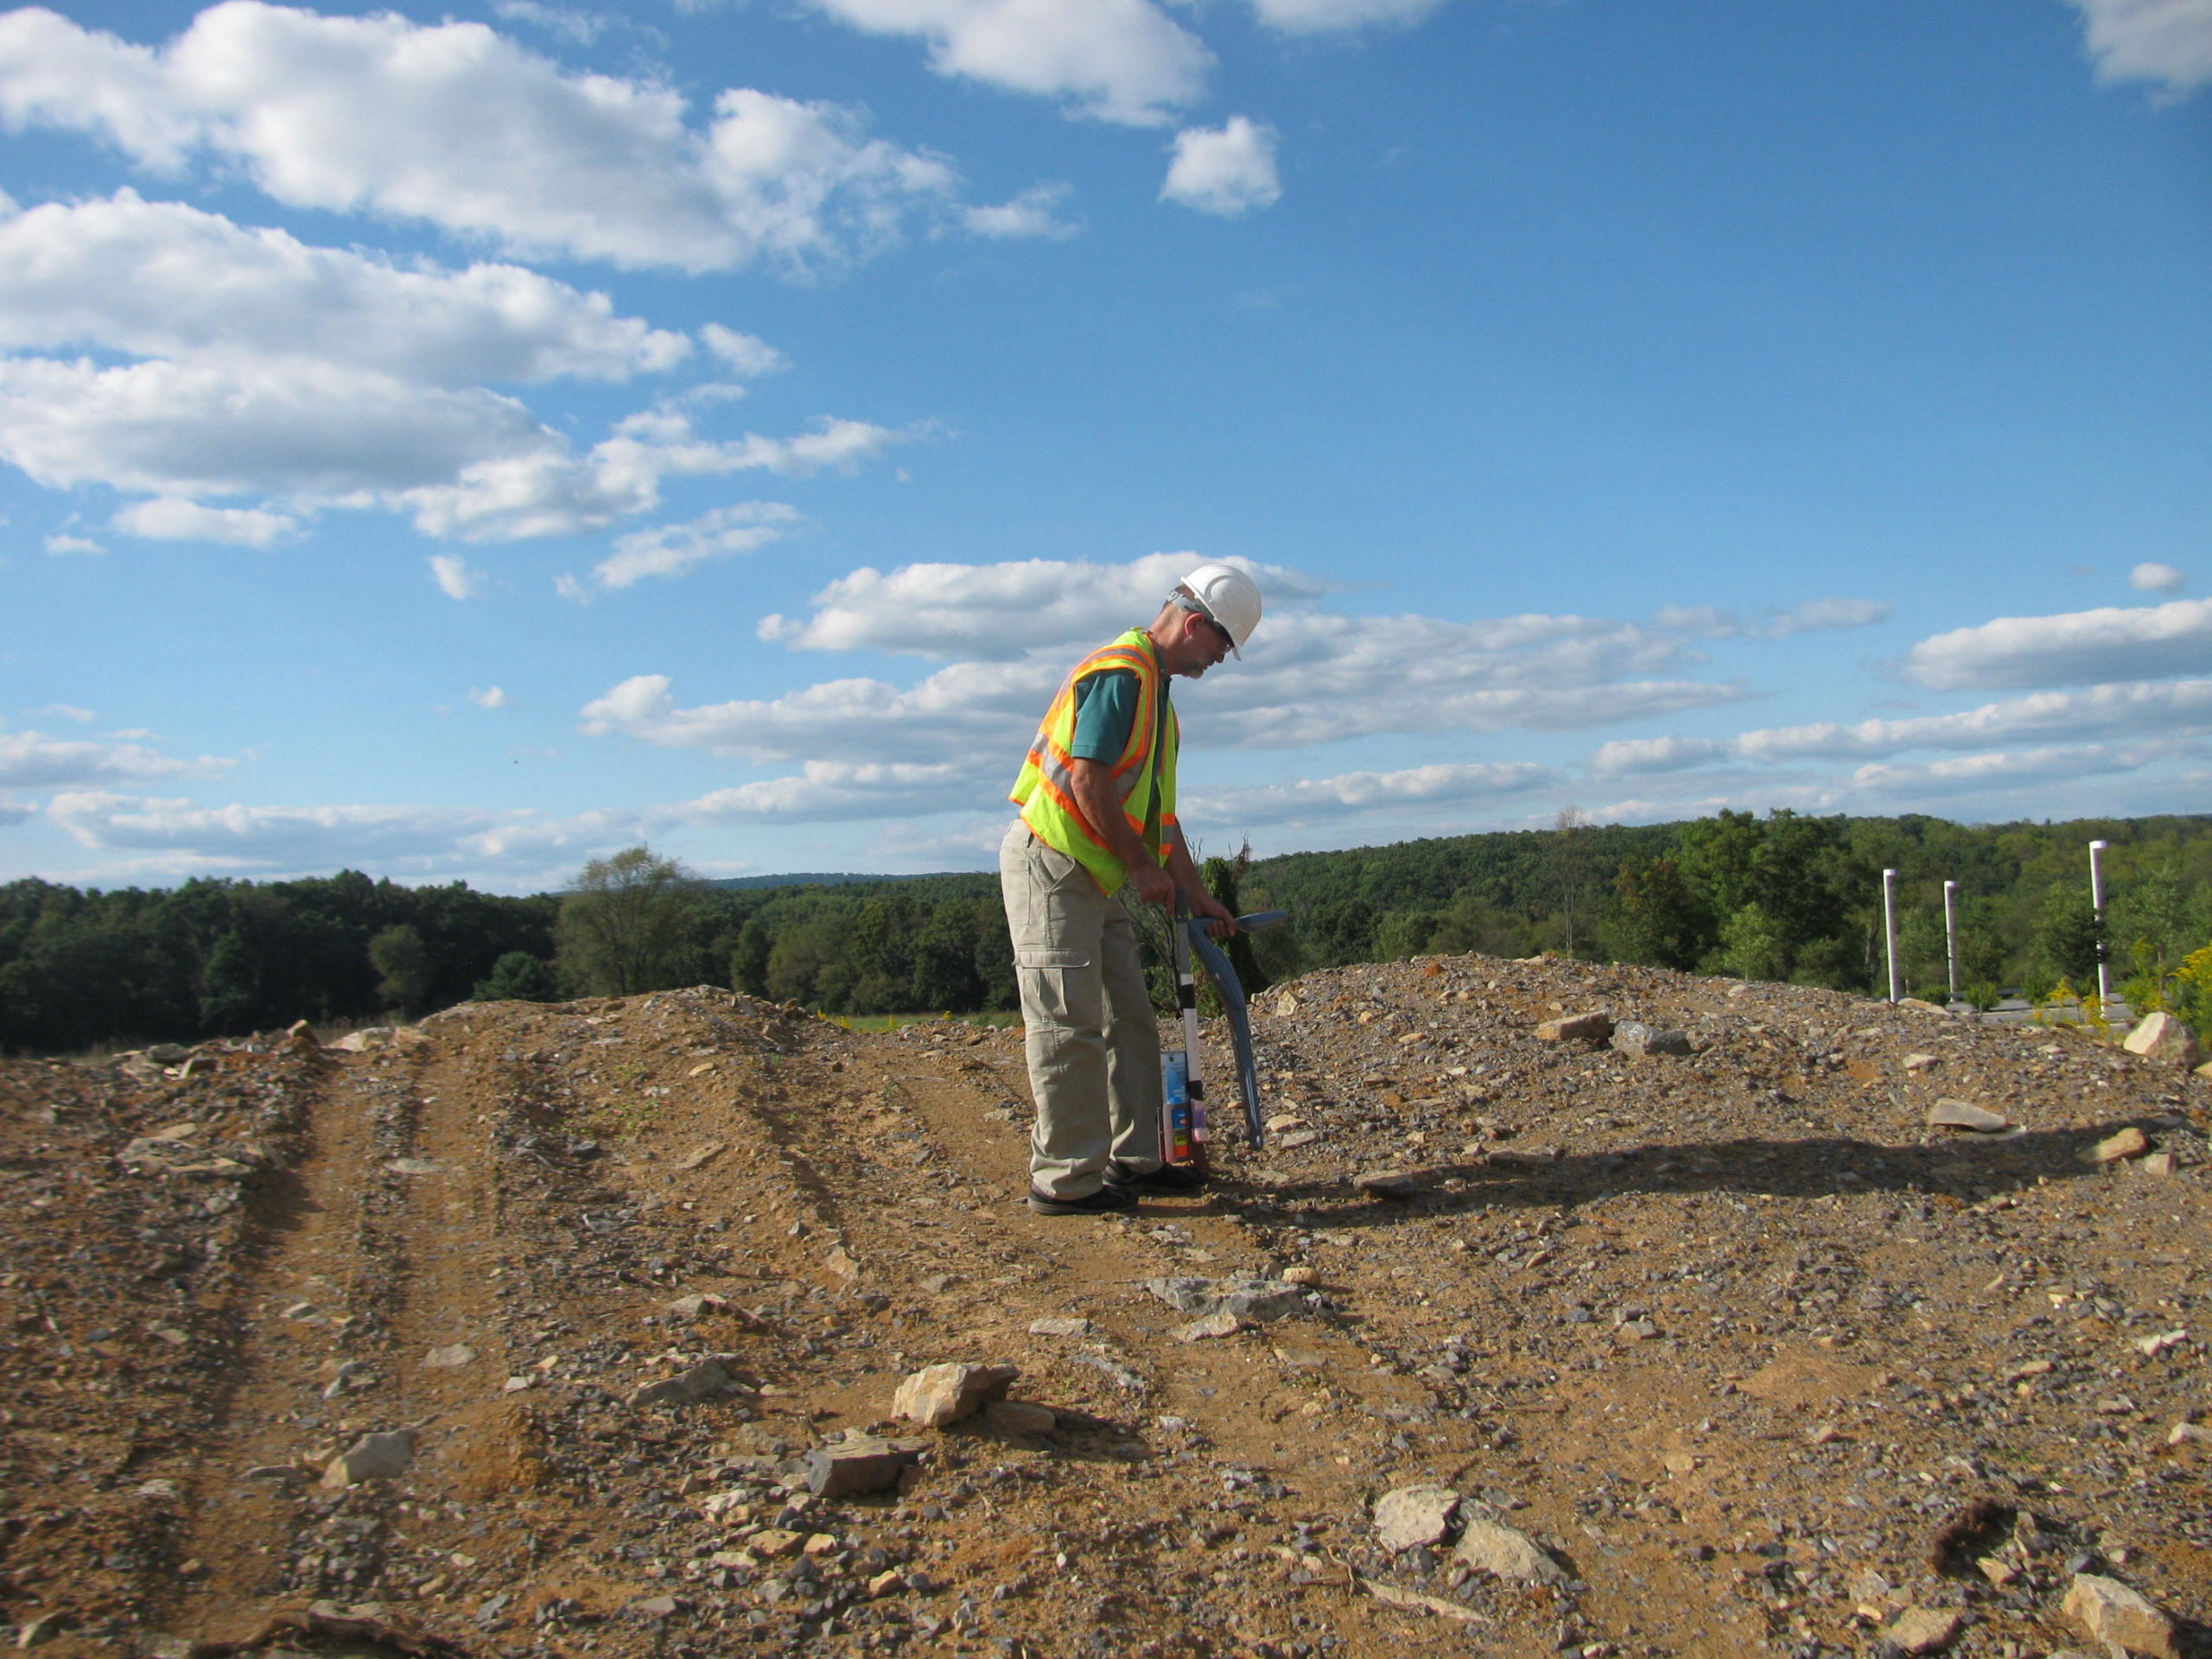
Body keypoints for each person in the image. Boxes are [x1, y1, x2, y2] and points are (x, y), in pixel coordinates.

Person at [1000, 563, 1263, 1215]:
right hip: (1053, 864)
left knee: (1130, 1019)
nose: (1218, 662)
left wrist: (1194, 892)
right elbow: (1086, 782)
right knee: (1070, 1027)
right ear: (1195, 623)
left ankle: (1134, 1159)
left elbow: (1161, 819)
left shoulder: (1157, 695)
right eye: (1221, 646)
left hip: (1095, 871)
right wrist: (1143, 872)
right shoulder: (1122, 675)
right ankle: (1065, 1181)